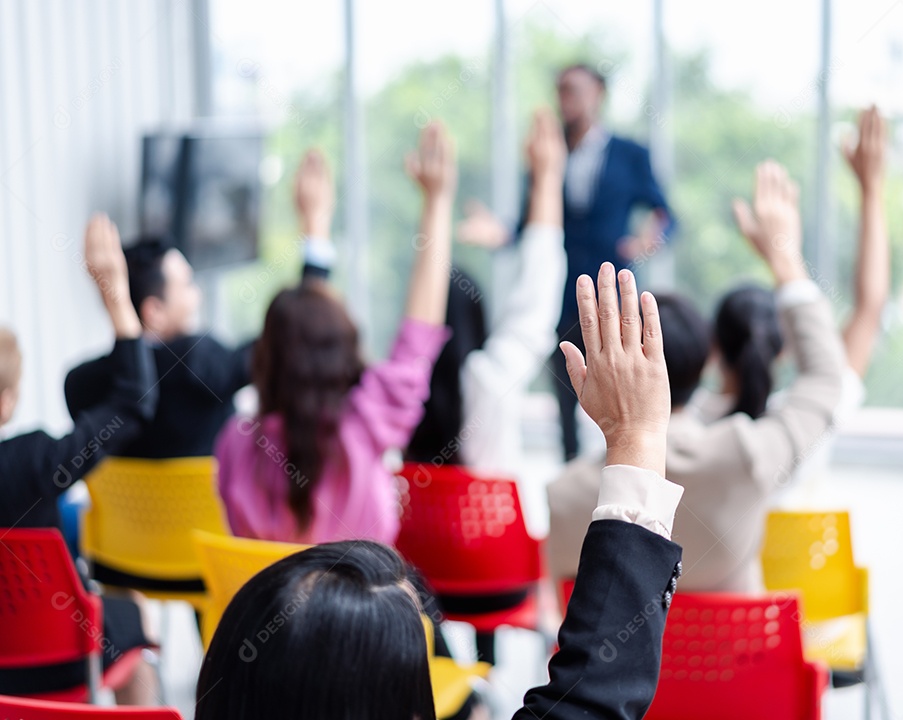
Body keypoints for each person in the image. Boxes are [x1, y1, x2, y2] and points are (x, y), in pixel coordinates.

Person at [194, 263, 685, 720]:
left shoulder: (235, 442)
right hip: (495, 589)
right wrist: (636, 435)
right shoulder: (364, 425)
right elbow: (416, 346)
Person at [547, 160, 847, 592]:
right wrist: (786, 261)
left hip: (639, 662)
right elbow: (825, 380)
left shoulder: (567, 495)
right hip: (734, 659)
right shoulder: (747, 455)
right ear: (709, 359)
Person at [214, 122, 456, 545]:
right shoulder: (366, 426)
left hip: (273, 613)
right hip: (364, 615)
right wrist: (437, 203)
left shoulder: (237, 445)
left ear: (265, 357)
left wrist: (316, 227)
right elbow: (419, 332)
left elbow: (298, 332)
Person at [457, 63, 675, 461]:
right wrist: (503, 233)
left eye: (574, 90)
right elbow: (533, 222)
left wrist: (650, 237)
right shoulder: (547, 154)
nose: (565, 99)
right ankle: (570, 477)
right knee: (566, 390)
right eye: (560, 90)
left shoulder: (630, 154)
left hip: (611, 293)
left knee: (621, 386)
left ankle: (625, 464)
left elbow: (664, 213)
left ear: (599, 94)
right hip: (559, 294)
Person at [63, 154, 337, 459]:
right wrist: (315, 226)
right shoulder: (199, 366)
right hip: (213, 508)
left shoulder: (80, 386)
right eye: (188, 286)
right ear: (154, 312)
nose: (198, 297)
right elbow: (293, 334)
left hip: (131, 509)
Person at [689, 105, 890, 497]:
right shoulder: (805, 420)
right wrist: (871, 190)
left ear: (713, 348)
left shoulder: (682, 430)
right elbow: (869, 307)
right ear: (780, 349)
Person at [0, 214, 159, 704]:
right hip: (58, 657)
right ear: (6, 400)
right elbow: (134, 403)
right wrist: (116, 297)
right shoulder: (32, 460)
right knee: (131, 617)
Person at [406, 107, 566, 474]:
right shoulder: (489, 381)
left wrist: (435, 201)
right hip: (493, 533)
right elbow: (536, 297)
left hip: (409, 535)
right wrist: (547, 177)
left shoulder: (397, 393)